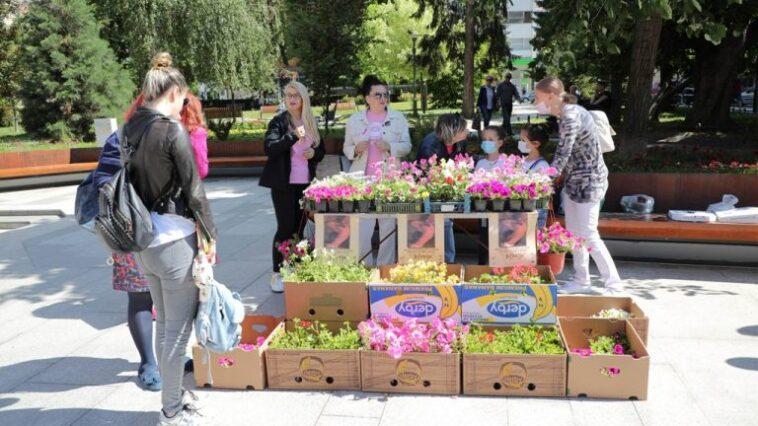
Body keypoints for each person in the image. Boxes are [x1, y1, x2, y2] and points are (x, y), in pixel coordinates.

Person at [93, 89, 210, 394]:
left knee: (170, 306)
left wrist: (195, 138)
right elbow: (103, 181)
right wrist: (131, 192)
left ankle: (169, 358)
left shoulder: (179, 134)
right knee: (140, 296)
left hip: (172, 233)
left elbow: (199, 175)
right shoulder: (123, 137)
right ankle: (148, 363)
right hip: (131, 230)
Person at [125, 52, 216, 424]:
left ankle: (173, 399)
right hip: (176, 240)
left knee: (164, 326)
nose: (184, 106)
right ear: (174, 92)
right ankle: (172, 411)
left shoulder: (130, 128)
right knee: (177, 333)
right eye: (183, 98)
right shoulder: (171, 129)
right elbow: (194, 191)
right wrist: (211, 237)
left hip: (145, 241)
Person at [534, 76, 621, 295]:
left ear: (551, 96)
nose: (536, 103)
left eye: (538, 97)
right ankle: (581, 280)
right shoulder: (567, 113)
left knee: (589, 234)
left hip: (590, 183)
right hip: (575, 183)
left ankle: (614, 284)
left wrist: (543, 181)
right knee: (574, 234)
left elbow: (562, 154)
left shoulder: (571, 116)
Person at [261, 81, 326, 291]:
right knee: (285, 228)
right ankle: (278, 272)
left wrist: (314, 153)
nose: (291, 99)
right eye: (288, 95)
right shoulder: (279, 122)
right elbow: (269, 147)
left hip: (304, 184)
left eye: (295, 95)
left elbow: (321, 149)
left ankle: (296, 266)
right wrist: (292, 137)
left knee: (299, 227)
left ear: (303, 98)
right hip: (283, 185)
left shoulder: (310, 121)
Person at [344, 75, 411, 266]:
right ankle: (364, 267)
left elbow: (407, 146)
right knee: (363, 226)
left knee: (388, 226)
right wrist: (355, 150)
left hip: (389, 180)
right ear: (367, 98)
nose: (383, 98)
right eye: (378, 95)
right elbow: (346, 148)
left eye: (385, 94)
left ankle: (385, 268)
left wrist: (390, 146)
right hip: (362, 180)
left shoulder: (398, 118)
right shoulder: (354, 120)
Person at [417, 113, 469, 263]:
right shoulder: (430, 145)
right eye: (463, 129)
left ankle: (448, 261)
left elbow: (462, 163)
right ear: (452, 130)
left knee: (446, 222)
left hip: (448, 187)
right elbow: (428, 174)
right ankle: (437, 260)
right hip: (428, 188)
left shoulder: (460, 142)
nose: (467, 131)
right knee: (438, 222)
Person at [475, 125, 507, 264]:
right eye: (484, 139)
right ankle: (482, 269)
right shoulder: (480, 163)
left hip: (502, 212)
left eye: (490, 139)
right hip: (483, 212)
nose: (486, 142)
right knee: (484, 243)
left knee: (501, 245)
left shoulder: (506, 162)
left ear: (500, 142)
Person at [519, 124, 551, 229]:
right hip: (519, 212)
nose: (520, 143)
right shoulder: (520, 162)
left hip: (534, 217)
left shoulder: (542, 166)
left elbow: (542, 199)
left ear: (536, 144)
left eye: (523, 140)